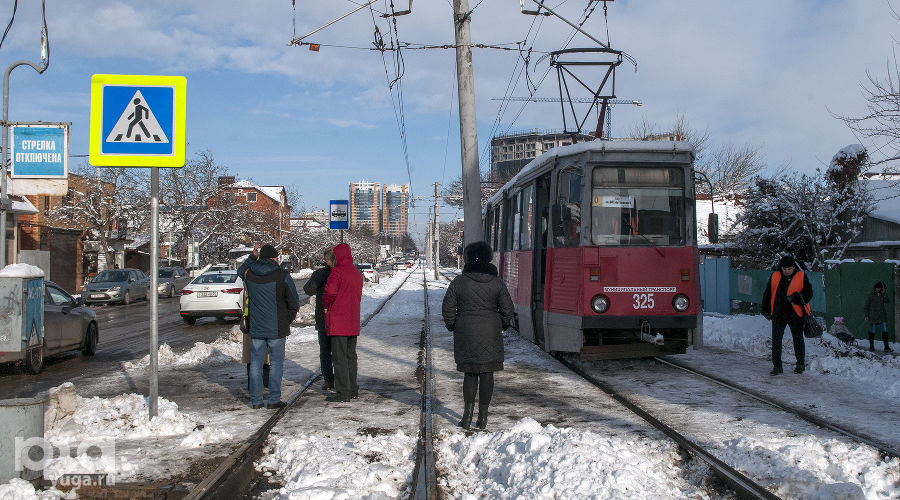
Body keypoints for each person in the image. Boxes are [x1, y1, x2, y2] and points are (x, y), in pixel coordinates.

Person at [441, 241, 514, 430]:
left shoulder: (459, 281)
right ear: (488, 257)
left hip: (465, 330)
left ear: (467, 258)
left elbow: (448, 307)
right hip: (491, 331)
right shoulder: (497, 282)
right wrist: (501, 325)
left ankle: (466, 417)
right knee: (487, 373)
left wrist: (453, 325)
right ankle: (483, 418)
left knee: (470, 373)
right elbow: (508, 309)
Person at [243, 244, 300, 409]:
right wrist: (287, 320)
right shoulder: (282, 275)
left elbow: (240, 271)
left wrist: (252, 258)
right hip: (277, 327)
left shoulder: (249, 274)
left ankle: (256, 400)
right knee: (276, 364)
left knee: (256, 363)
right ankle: (274, 399)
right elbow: (294, 302)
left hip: (256, 327)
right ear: (274, 258)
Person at [322, 243, 363, 403]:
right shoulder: (355, 272)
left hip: (339, 320)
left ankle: (343, 391)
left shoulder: (337, 271)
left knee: (339, 358)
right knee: (351, 356)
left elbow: (330, 292)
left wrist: (326, 304)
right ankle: (352, 389)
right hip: (352, 319)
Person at [761, 255, 813, 375]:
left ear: (794, 267)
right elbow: (768, 293)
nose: (787, 271)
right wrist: (766, 309)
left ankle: (800, 364)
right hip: (778, 313)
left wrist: (796, 298)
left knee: (798, 338)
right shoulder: (775, 276)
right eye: (784, 269)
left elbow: (809, 293)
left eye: (789, 269)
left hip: (796, 313)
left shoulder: (801, 276)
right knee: (776, 340)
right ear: (781, 267)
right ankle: (777, 366)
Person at [303, 248, 336, 391]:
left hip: (324, 318)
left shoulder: (321, 274)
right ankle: (338, 379)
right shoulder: (340, 272)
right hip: (337, 318)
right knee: (338, 351)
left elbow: (308, 289)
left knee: (325, 351)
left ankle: (328, 380)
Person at [864, 281, 893, 352]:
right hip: (873, 316)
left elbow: (887, 300)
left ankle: (886, 347)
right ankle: (871, 347)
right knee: (872, 331)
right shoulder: (870, 295)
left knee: (885, 331)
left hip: (882, 316)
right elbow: (866, 306)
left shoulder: (882, 294)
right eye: (878, 288)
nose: (878, 289)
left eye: (880, 288)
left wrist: (884, 293)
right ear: (875, 288)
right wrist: (866, 315)